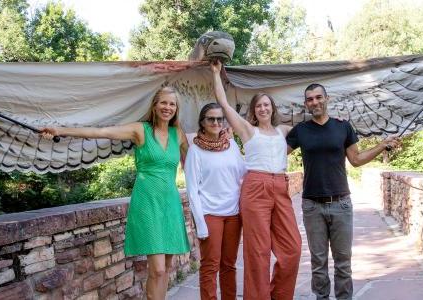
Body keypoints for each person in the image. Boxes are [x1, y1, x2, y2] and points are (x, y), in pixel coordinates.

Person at [39, 86, 190, 300]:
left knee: (166, 266)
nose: (168, 107)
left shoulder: (179, 134)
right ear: (155, 106)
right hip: (147, 201)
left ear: (176, 108)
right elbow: (101, 132)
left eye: (172, 104)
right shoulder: (141, 130)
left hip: (170, 203)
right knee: (156, 269)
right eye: (163, 102)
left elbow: (199, 158)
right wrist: (60, 130)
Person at [286, 83, 401, 300]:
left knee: (343, 262)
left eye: (318, 97)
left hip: (341, 203)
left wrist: (382, 145)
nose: (315, 102)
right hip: (312, 205)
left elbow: (356, 160)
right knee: (318, 263)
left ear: (327, 99)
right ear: (306, 104)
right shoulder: (301, 131)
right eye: (310, 99)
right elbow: (276, 153)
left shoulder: (343, 127)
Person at [211, 60, 301, 300]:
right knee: (258, 252)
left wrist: (340, 121)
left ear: (272, 108)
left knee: (292, 249)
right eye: (259, 105)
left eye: (266, 104)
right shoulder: (247, 130)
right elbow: (223, 103)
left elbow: (314, 127)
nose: (263, 108)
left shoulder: (284, 130)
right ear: (254, 110)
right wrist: (216, 73)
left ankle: (278, 295)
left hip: (280, 187)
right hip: (255, 188)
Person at [184, 103, 246, 300]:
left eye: (220, 119)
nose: (216, 122)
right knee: (210, 265)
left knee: (229, 264)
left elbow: (244, 173)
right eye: (211, 118)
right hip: (210, 214)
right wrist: (200, 224)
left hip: (234, 214)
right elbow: (192, 190)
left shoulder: (232, 145)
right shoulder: (195, 151)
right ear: (202, 122)